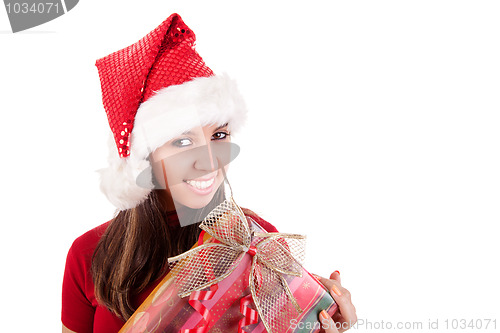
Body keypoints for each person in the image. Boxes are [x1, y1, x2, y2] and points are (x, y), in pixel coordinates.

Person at [61, 13, 356, 333]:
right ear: (143, 158)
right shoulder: (88, 254)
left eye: (218, 136)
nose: (210, 161)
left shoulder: (258, 241)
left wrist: (322, 324)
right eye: (183, 140)